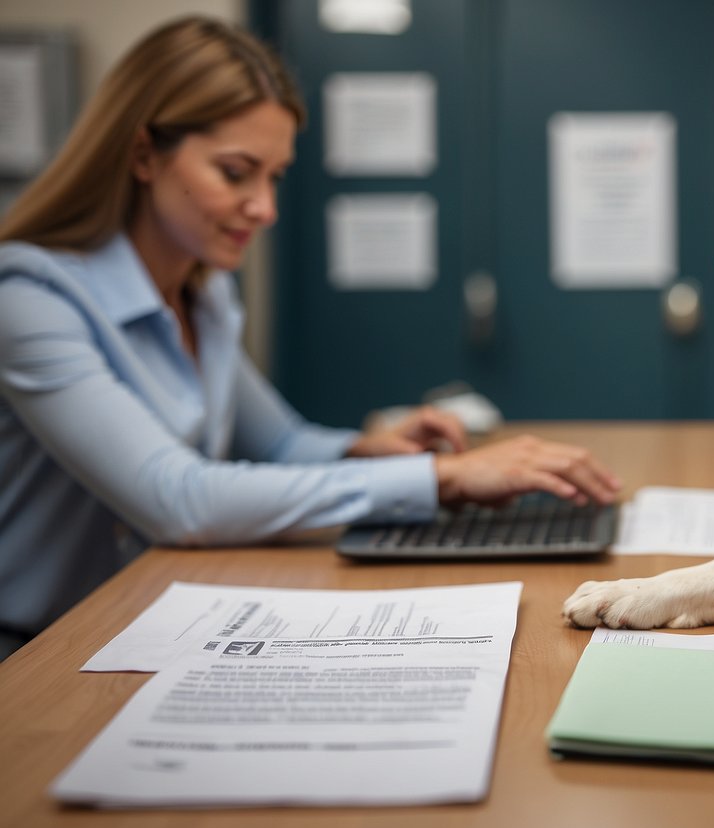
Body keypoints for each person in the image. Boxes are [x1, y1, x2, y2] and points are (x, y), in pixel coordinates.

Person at [0, 16, 620, 661]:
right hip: (40, 649)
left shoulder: (201, 292)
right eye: (236, 173)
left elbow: (281, 444)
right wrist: (440, 478)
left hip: (144, 616)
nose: (265, 208)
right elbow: (178, 498)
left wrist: (367, 451)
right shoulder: (30, 299)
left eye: (273, 177)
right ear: (142, 155)